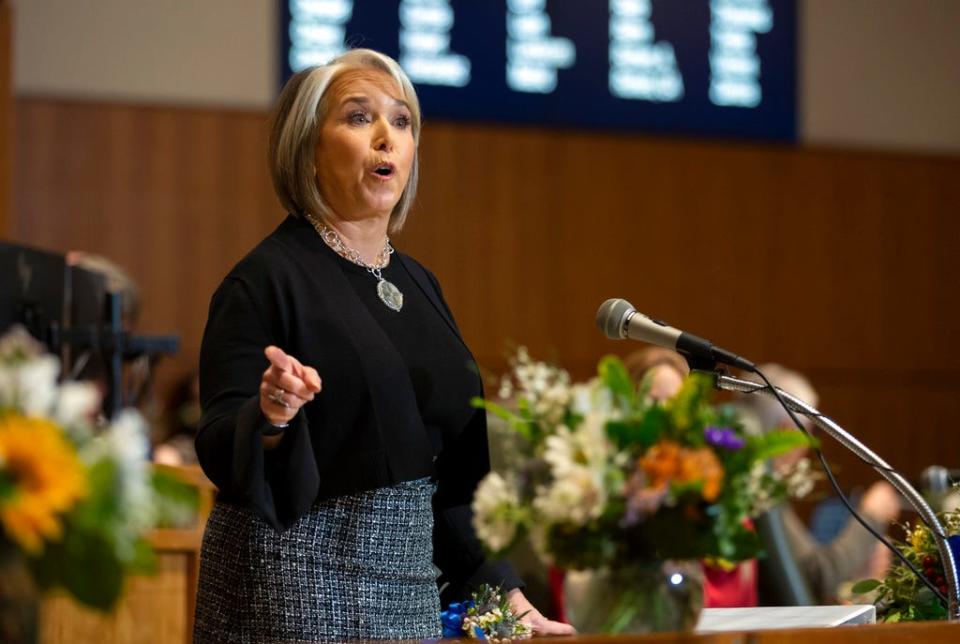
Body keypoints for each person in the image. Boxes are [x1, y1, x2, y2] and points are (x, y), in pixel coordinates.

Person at [192, 49, 572, 641]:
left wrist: (507, 596)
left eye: (401, 121)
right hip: (293, 587)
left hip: (407, 591)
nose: (385, 138)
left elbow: (448, 482)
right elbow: (219, 442)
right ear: (307, 152)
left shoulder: (419, 284)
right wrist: (270, 416)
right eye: (357, 117)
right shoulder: (264, 280)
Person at [737, 363, 900, 603]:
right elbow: (819, 574)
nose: (808, 445)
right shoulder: (755, 489)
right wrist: (872, 516)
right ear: (787, 431)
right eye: (808, 431)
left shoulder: (747, 480)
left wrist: (860, 572)